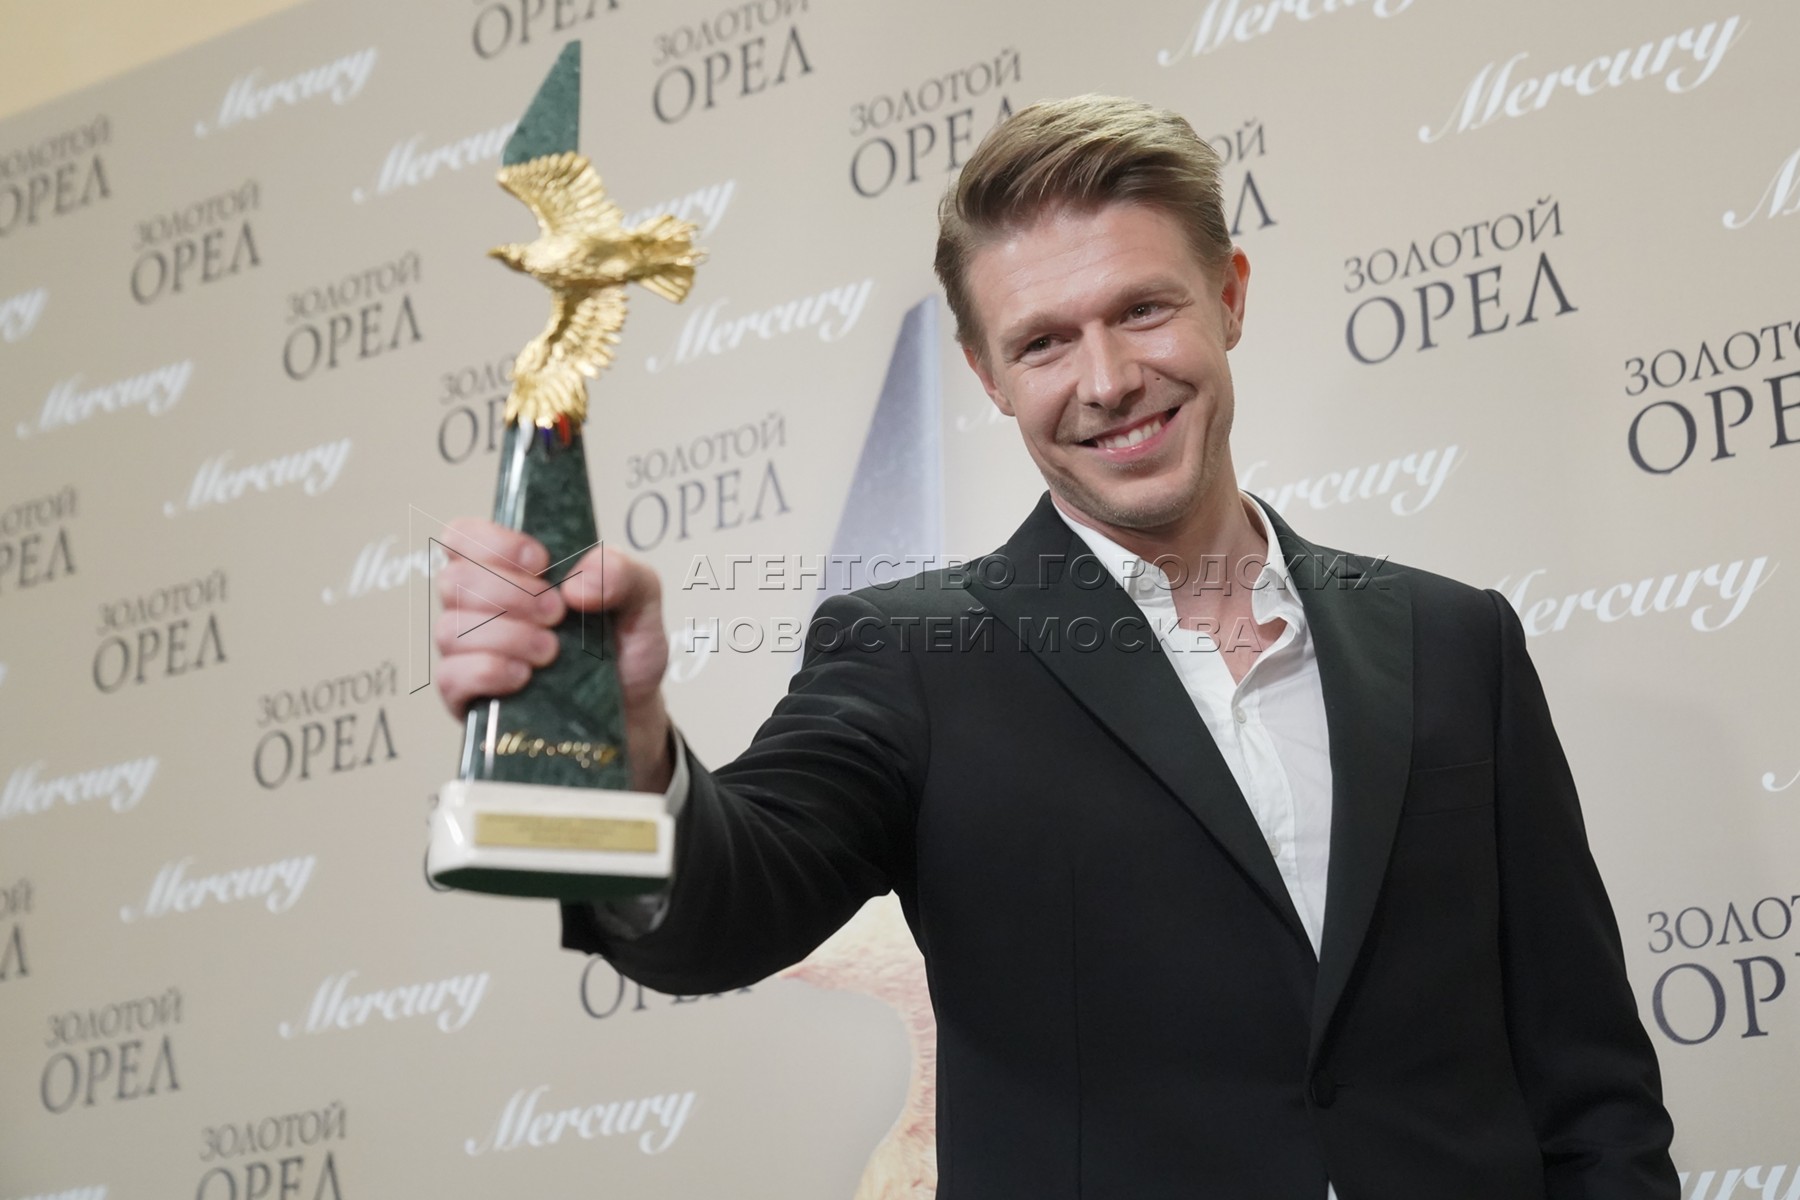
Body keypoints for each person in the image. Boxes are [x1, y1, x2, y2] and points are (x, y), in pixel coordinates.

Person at [434, 96, 1678, 1199]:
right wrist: (628, 744)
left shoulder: (1454, 639)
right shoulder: (913, 657)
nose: (1109, 379)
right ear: (986, 374)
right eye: (1042, 342)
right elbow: (721, 914)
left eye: (1144, 309)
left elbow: (1589, 1082)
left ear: (1231, 295)